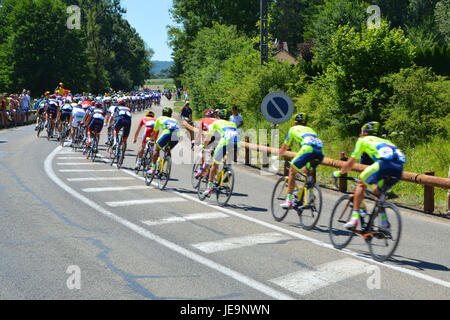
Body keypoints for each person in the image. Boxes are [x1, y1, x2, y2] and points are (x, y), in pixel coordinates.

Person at [333, 121, 406, 229]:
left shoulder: (363, 140)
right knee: (377, 191)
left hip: (383, 164)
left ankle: (354, 219)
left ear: (365, 132)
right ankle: (384, 222)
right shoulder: (387, 141)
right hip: (399, 168)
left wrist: (339, 173)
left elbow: (350, 163)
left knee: (361, 184)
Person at [277, 113, 325, 209]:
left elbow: (285, 146)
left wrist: (278, 157)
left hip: (308, 150)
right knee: (307, 172)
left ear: (295, 122)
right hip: (320, 152)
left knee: (292, 170)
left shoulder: (293, 129)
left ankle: (289, 200)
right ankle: (310, 197)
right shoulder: (311, 130)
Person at [200, 109, 240, 197]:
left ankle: (209, 188)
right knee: (228, 158)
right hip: (237, 141)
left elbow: (208, 137)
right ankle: (228, 168)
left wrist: (204, 145)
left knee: (214, 164)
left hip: (224, 141)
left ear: (217, 117)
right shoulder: (233, 124)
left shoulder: (216, 122)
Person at [147, 107, 180, 176]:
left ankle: (153, 168)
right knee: (168, 150)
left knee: (157, 149)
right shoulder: (174, 120)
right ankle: (167, 169)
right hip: (176, 135)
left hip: (167, 133)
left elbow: (155, 132)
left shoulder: (159, 118)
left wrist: (151, 139)